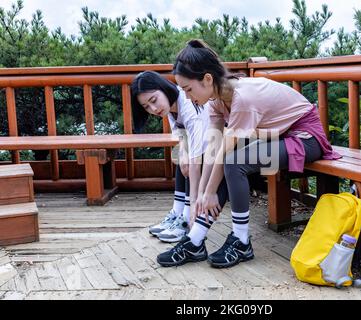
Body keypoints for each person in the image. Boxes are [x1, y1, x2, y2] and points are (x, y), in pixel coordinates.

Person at [156, 39, 341, 268]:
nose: (188, 97)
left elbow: (226, 154)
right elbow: (214, 148)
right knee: (227, 163)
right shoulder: (215, 99)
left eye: (188, 89)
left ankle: (242, 241)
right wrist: (202, 194)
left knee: (234, 162)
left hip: (306, 139)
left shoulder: (242, 98)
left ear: (207, 79)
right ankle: (195, 240)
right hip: (278, 137)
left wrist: (209, 192)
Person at [131, 71, 228, 245]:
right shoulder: (172, 108)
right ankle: (177, 212)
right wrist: (183, 152)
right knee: (181, 158)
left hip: (223, 145)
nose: (154, 109)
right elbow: (182, 136)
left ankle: (186, 217)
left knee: (189, 162)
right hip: (209, 145)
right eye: (146, 107)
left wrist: (195, 203)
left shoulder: (189, 105)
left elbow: (197, 159)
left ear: (163, 88)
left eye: (153, 100)